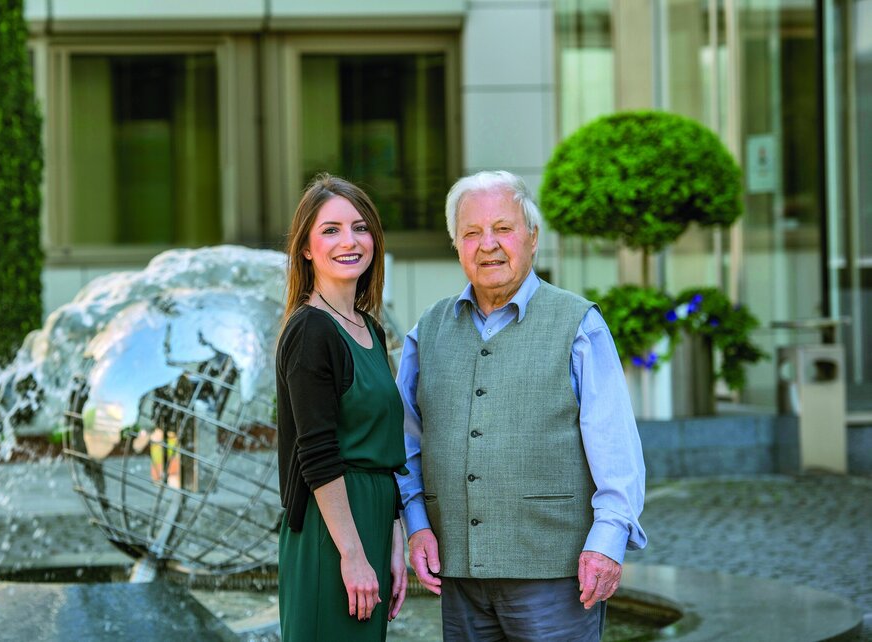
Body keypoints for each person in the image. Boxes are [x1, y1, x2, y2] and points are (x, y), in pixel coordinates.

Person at [396, 170, 647, 641]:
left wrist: (607, 542)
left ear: (533, 237)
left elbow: (615, 445)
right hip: (458, 574)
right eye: (472, 233)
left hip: (557, 574)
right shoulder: (427, 330)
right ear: (456, 245)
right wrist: (416, 524)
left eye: (502, 229)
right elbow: (404, 442)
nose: (487, 245)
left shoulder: (579, 324)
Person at [276, 173, 408, 640]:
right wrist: (351, 554)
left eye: (360, 227)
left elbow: (385, 450)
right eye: (330, 230)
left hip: (372, 520)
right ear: (306, 249)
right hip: (329, 530)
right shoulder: (310, 331)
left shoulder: (370, 329)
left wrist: (394, 537)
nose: (349, 241)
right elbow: (316, 454)